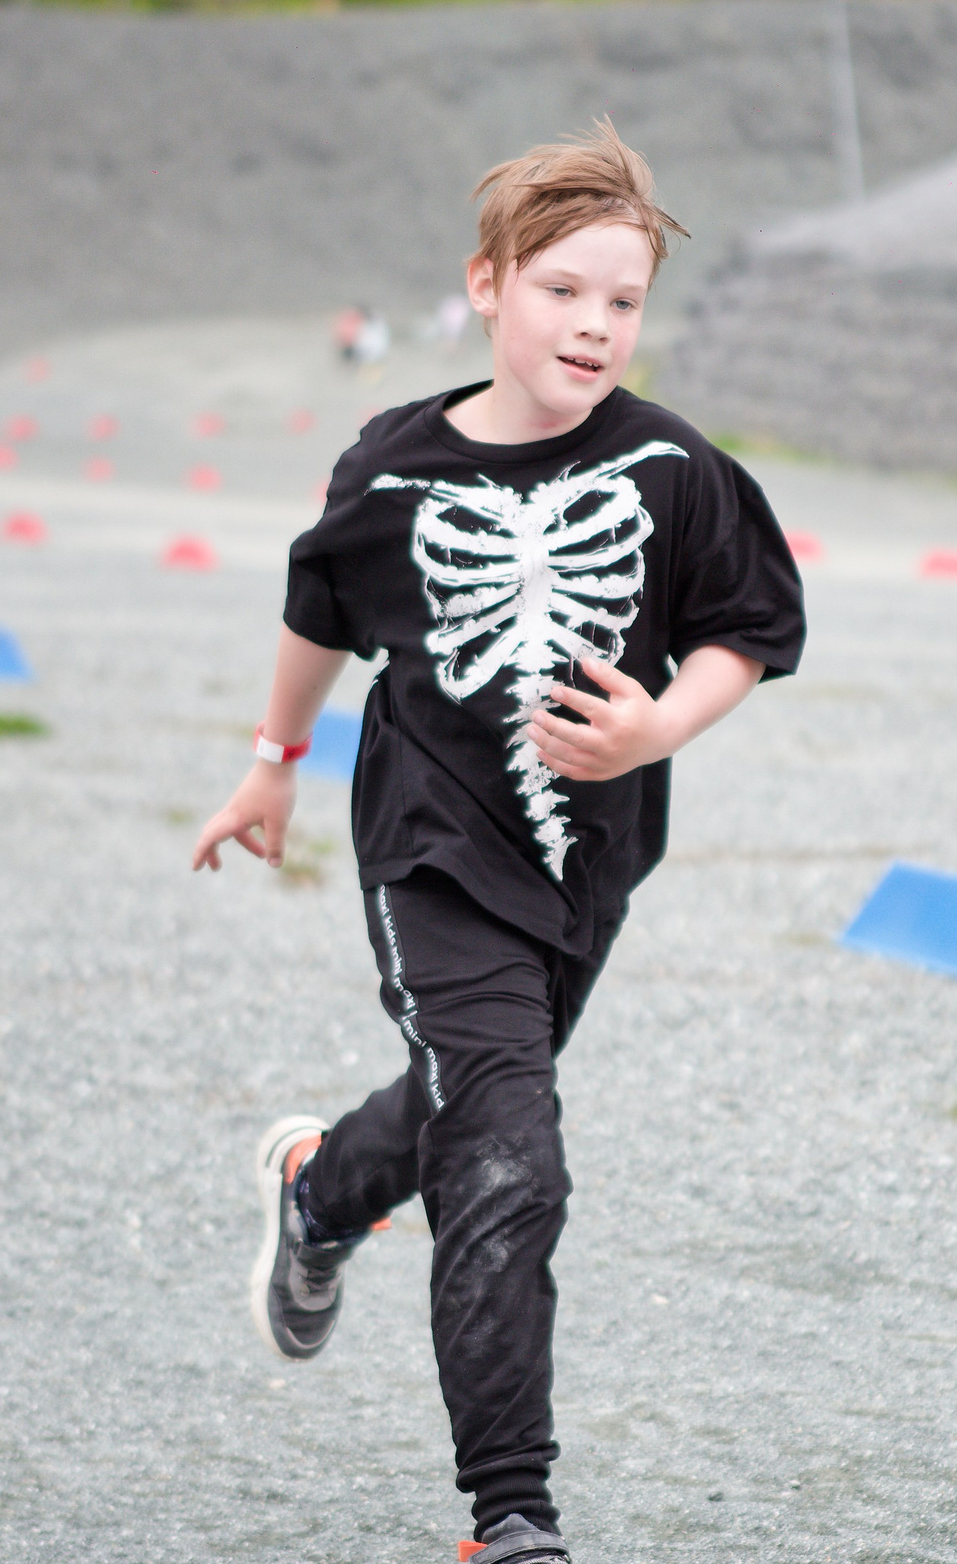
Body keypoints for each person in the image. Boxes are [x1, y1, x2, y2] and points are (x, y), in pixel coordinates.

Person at [191, 120, 805, 1564]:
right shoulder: (394, 464)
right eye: (561, 290)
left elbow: (752, 628)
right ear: (486, 285)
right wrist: (272, 763)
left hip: (588, 864)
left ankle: (320, 1187)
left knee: (472, 1094)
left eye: (622, 300)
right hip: (429, 850)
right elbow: (317, 612)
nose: (593, 324)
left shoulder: (671, 467)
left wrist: (660, 729)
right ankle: (510, 1515)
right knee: (511, 1155)